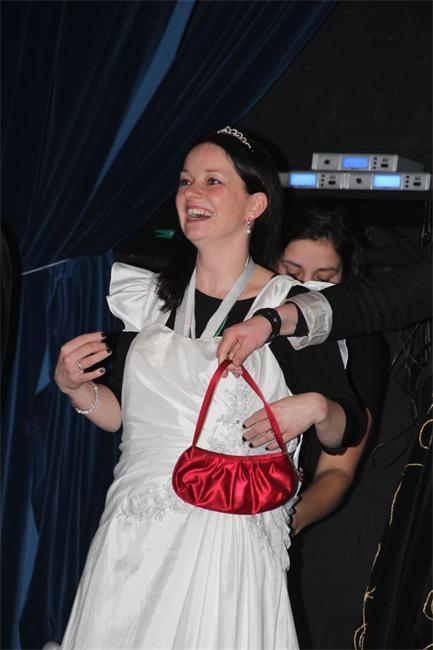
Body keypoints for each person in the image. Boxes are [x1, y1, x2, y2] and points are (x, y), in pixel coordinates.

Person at [54, 127, 363, 649]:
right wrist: (75, 389)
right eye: (185, 180)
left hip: (227, 544)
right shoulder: (151, 299)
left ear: (254, 206)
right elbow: (126, 418)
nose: (192, 193)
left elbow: (343, 430)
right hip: (133, 538)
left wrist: (314, 407)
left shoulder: (290, 306)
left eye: (212, 181)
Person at [273, 203, 389, 649]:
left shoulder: (361, 346)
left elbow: (337, 472)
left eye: (325, 278)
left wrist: (284, 521)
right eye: (293, 273)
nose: (306, 289)